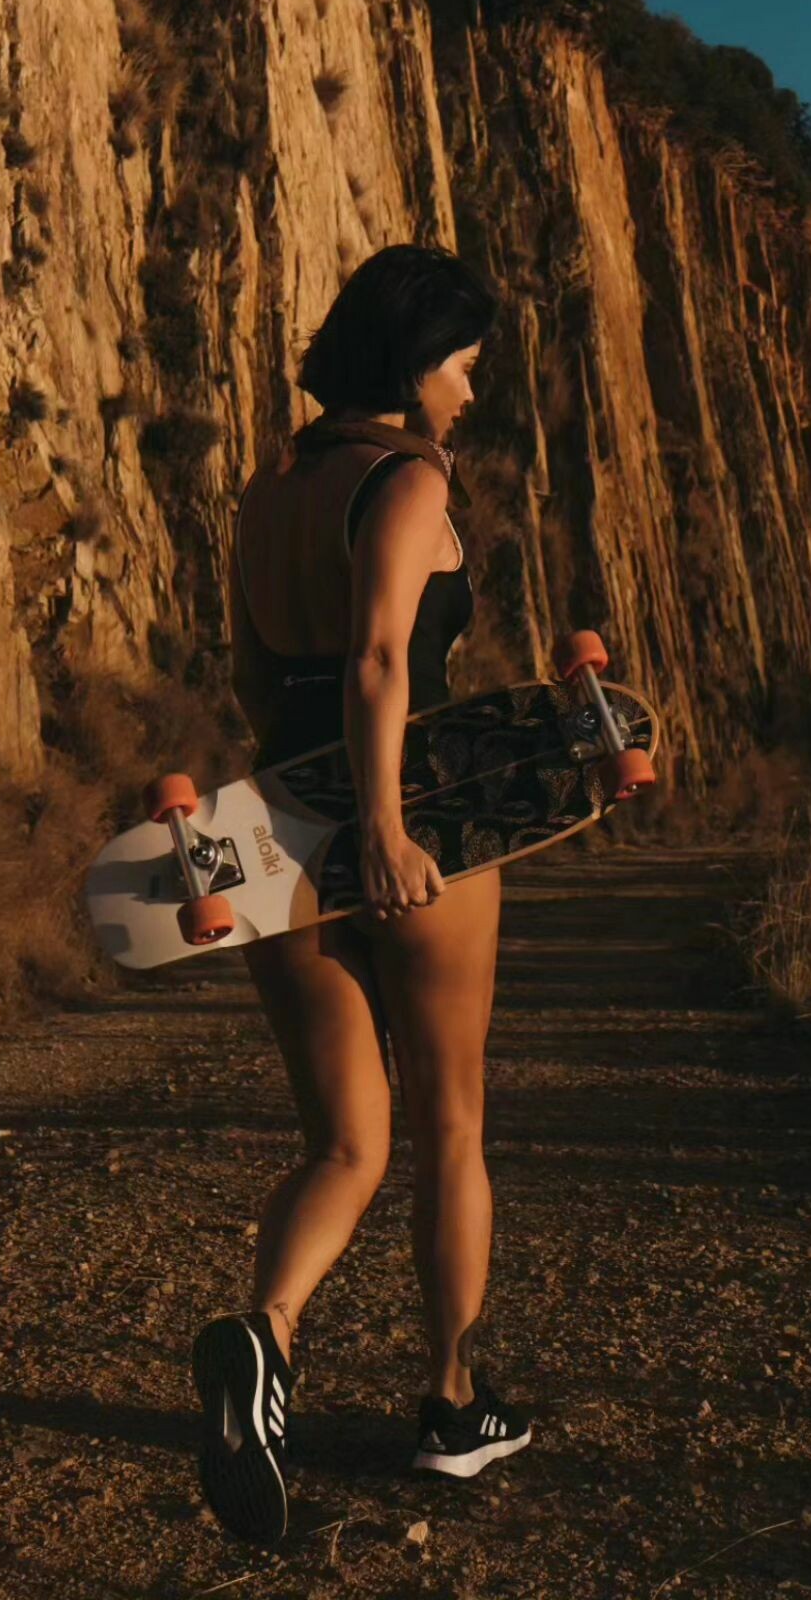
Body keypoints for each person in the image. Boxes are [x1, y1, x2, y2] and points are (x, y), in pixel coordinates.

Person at [191, 244, 531, 1547]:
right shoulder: (407, 478)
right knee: (449, 1124)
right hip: (411, 831)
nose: (468, 393)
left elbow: (248, 671)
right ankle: (451, 1406)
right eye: (462, 366)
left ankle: (265, 1338)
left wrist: (307, 810)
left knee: (344, 1141)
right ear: (414, 360)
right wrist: (383, 826)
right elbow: (383, 658)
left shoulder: (269, 490)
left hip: (279, 826)